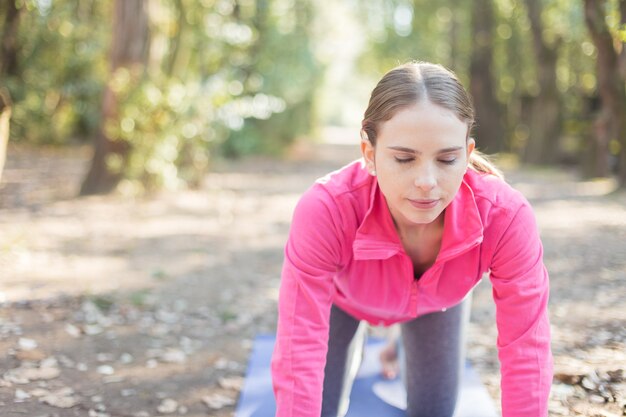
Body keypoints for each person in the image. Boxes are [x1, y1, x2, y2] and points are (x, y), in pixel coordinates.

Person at [271, 61, 553, 417]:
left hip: (436, 305)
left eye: (447, 159)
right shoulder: (326, 209)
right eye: (404, 159)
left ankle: (395, 343)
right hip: (344, 300)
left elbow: (526, 346)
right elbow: (299, 349)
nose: (426, 181)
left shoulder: (505, 216)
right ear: (369, 155)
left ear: (467, 156)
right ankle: (389, 339)